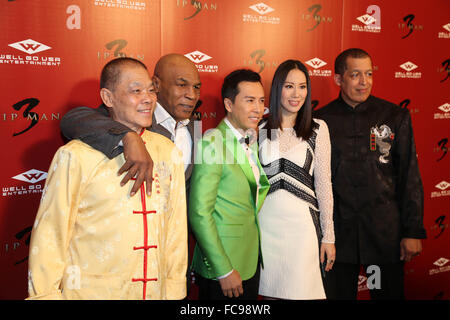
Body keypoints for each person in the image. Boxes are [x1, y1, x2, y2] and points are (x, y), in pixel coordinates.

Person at [27, 57, 187, 300]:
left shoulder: (168, 151)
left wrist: (174, 291)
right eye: (136, 91)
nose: (148, 98)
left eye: (151, 90)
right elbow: (51, 236)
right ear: (108, 98)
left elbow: (175, 231)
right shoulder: (75, 156)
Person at [314, 48, 426, 300]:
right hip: (337, 238)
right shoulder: (320, 121)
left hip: (383, 237)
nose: (364, 82)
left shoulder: (394, 116)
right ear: (338, 79)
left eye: (368, 74)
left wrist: (413, 231)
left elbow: (409, 175)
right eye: (355, 75)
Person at [60, 53, 202, 196]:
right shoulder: (132, 117)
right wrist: (128, 136)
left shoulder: (195, 126)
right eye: (182, 85)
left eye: (196, 87)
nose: (192, 95)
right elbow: (73, 120)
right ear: (157, 84)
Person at [257, 60, 335, 300]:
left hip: (302, 229)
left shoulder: (318, 129)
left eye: (302, 87)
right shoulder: (258, 128)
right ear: (277, 88)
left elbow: (324, 185)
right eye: (289, 86)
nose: (296, 94)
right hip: (265, 227)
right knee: (270, 293)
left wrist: (328, 236)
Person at [189, 69, 270, 300]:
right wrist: (223, 269)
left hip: (249, 260)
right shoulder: (212, 143)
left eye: (262, 100)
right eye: (250, 100)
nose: (258, 108)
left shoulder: (250, 140)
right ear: (229, 104)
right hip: (223, 267)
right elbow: (199, 212)